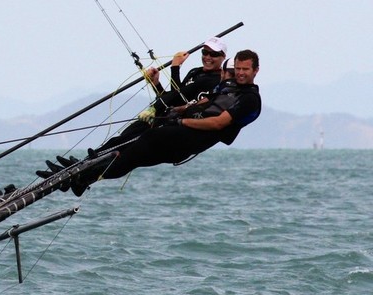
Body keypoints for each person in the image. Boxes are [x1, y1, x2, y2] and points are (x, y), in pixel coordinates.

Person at [41, 49, 261, 195]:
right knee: (130, 146)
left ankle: (83, 175)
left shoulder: (249, 99)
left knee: (140, 144)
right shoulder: (224, 88)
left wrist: (182, 121)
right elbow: (195, 103)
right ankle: (82, 173)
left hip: (189, 139)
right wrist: (175, 110)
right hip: (178, 134)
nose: (239, 73)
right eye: (236, 69)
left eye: (244, 70)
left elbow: (217, 124)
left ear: (255, 71)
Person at [42, 37, 228, 174]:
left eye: (214, 54)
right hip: (156, 116)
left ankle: (83, 171)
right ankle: (80, 165)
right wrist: (155, 83)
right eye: (205, 52)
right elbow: (169, 98)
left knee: (122, 151)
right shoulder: (196, 72)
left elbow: (178, 100)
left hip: (164, 126)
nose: (208, 57)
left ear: (223, 58)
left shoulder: (212, 81)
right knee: (117, 141)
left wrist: (175, 67)